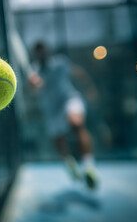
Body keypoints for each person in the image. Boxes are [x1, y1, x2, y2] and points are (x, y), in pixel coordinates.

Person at [28, 42, 98, 189]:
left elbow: (77, 72)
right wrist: (34, 84)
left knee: (77, 124)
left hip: (69, 100)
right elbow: (33, 88)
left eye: (43, 50)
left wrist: (90, 87)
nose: (41, 53)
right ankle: (69, 162)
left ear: (47, 51)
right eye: (38, 51)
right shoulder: (34, 70)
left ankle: (89, 167)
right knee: (59, 140)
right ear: (35, 54)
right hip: (51, 110)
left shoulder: (60, 62)